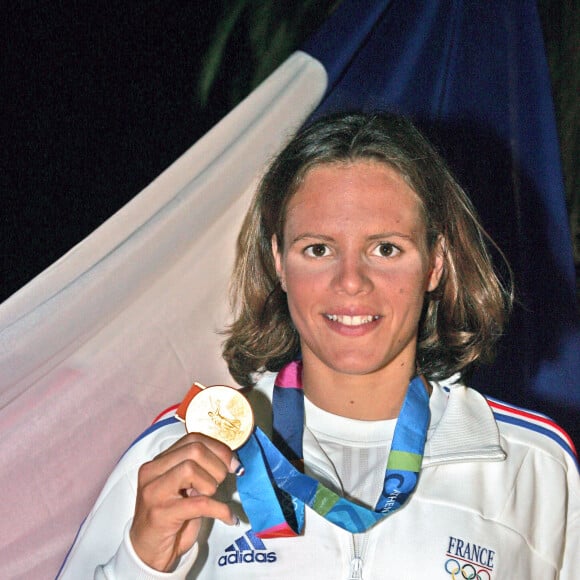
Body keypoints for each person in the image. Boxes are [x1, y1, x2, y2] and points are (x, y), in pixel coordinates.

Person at [58, 112, 578, 579]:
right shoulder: (181, 454)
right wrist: (139, 565)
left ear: (436, 263)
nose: (351, 281)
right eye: (319, 248)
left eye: (386, 248)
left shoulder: (534, 468)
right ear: (280, 261)